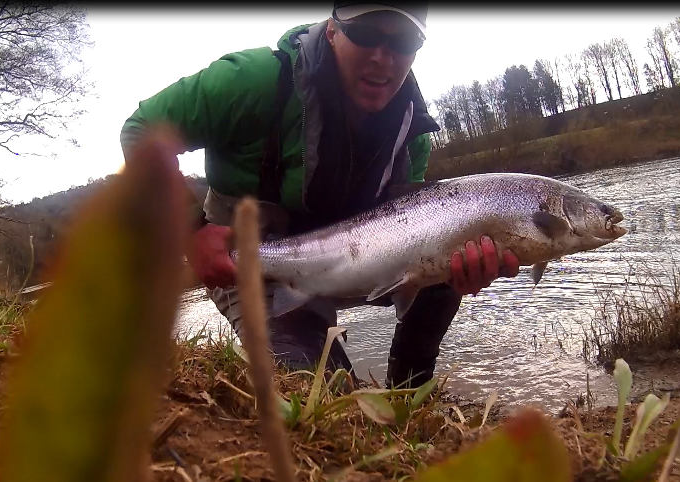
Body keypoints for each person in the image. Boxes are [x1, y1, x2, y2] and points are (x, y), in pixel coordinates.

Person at [120, 2, 520, 389]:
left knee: (442, 273)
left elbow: (402, 243)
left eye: (403, 42)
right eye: (365, 33)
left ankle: (406, 398)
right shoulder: (253, 80)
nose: (383, 57)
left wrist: (452, 270)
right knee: (325, 389)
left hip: (350, 262)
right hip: (252, 266)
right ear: (332, 31)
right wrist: (192, 229)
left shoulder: (411, 131)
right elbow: (141, 130)